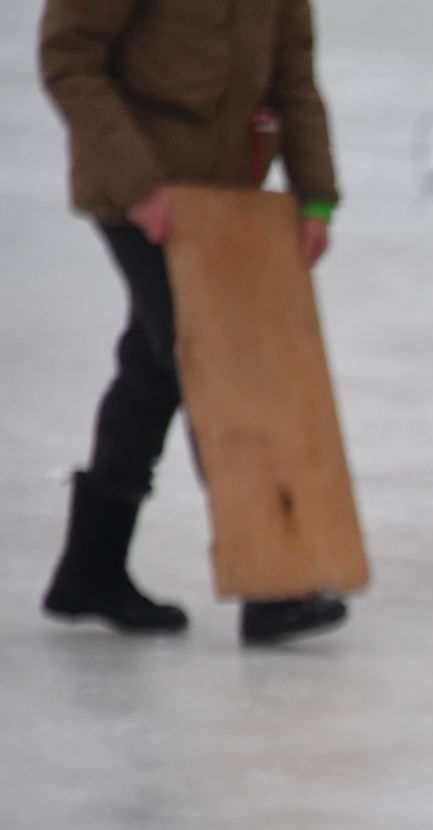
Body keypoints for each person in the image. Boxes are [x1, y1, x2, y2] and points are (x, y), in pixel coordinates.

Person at [39, 0, 349, 644]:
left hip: (223, 195)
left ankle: (90, 569)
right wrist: (137, 184)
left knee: (156, 366)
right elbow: (69, 60)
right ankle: (272, 581)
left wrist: (315, 192)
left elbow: (291, 72)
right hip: (138, 194)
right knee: (215, 365)